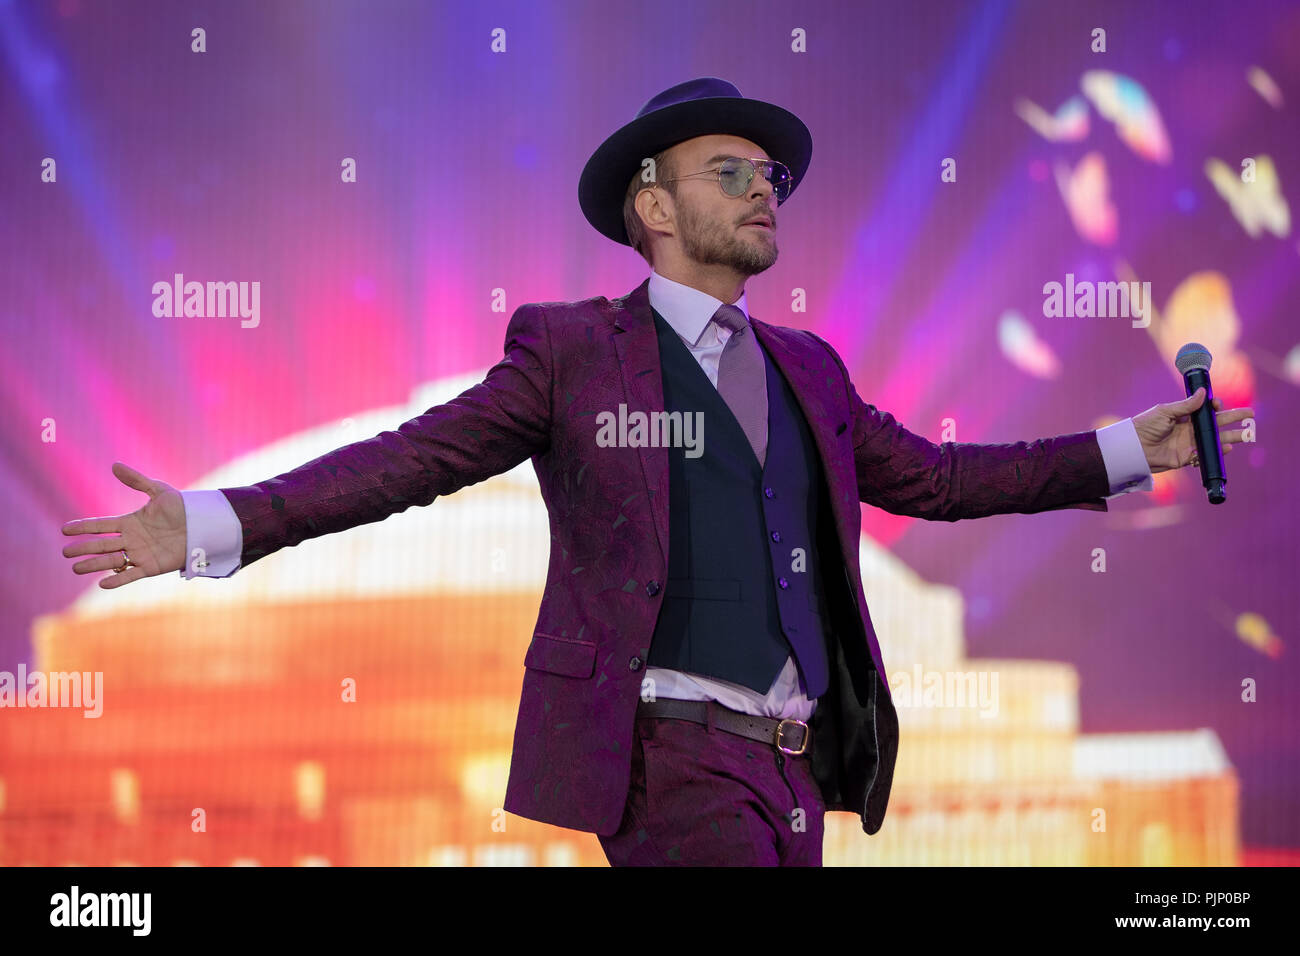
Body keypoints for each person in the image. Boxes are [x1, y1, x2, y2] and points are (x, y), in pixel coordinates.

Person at [61, 77, 1255, 866]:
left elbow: (938, 479)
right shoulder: (575, 350)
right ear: (654, 204)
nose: (763, 190)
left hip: (800, 776)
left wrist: (1121, 448)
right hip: (668, 760)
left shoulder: (810, 370)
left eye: (770, 177)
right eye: (730, 171)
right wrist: (215, 522)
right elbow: (408, 464)